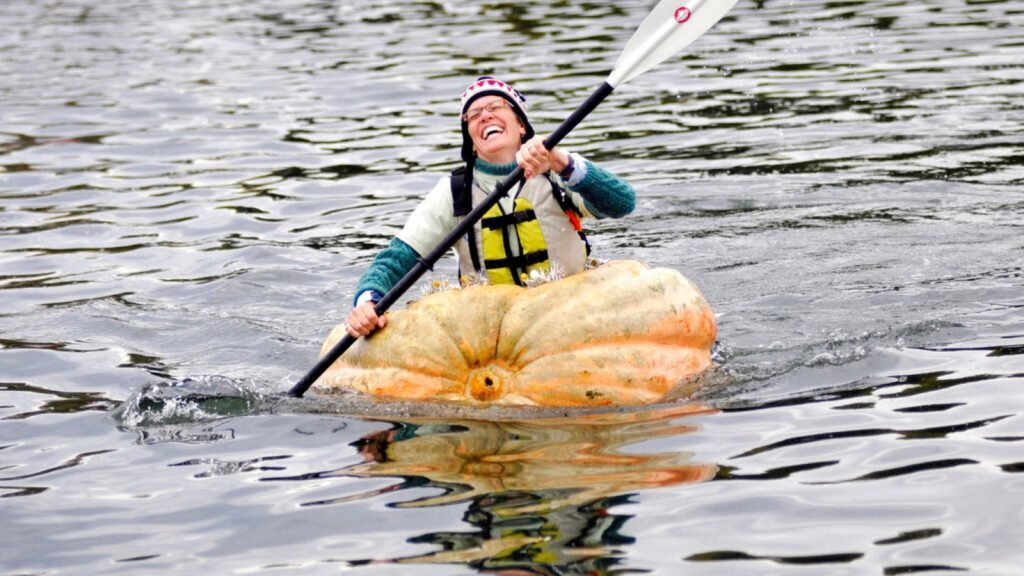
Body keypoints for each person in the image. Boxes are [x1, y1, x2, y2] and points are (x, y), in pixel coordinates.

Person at [344, 76, 636, 337]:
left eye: (496, 106)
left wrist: (561, 161)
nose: (485, 115)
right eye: (473, 115)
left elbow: (622, 203)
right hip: (491, 332)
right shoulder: (453, 191)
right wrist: (368, 301)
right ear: (471, 143)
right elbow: (398, 258)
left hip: (571, 314)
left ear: (521, 125)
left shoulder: (558, 169)